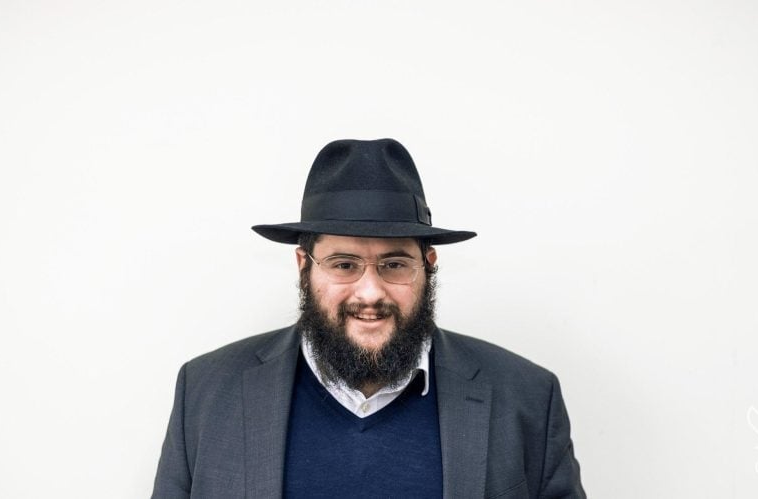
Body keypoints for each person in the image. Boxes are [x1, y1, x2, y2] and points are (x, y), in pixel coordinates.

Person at [151, 138, 586, 498]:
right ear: (304, 267)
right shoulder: (207, 392)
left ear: (428, 266)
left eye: (394, 265)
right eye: (344, 264)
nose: (370, 292)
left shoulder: (527, 397)